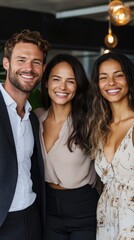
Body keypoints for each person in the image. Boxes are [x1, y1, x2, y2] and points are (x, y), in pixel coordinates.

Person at [35, 53, 99, 240]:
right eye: (56, 79)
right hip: (49, 211)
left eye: (70, 81)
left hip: (84, 209)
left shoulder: (90, 122)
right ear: (46, 82)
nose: (62, 87)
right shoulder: (36, 119)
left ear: (77, 85)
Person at [0, 29, 49, 240]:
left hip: (31, 217)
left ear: (43, 69)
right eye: (21, 60)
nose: (29, 68)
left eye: (36, 62)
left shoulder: (33, 119)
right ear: (6, 63)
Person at [89, 51, 134, 239]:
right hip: (106, 221)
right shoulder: (99, 128)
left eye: (118, 75)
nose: (111, 83)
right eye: (104, 77)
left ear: (129, 79)